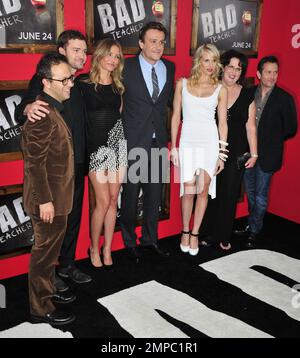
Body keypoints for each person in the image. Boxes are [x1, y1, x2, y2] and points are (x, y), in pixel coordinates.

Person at [15, 30, 92, 289]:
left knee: (72, 219)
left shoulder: (77, 83)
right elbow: (23, 107)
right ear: (62, 51)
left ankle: (67, 265)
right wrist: (27, 107)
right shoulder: (46, 80)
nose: (82, 55)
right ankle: (50, 276)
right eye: (76, 50)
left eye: (84, 50)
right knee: (53, 227)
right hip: (57, 172)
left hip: (79, 164)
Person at [22, 53, 76, 325]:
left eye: (71, 77)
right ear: (46, 82)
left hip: (57, 198)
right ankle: (40, 308)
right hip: (48, 201)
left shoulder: (51, 107)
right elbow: (34, 163)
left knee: (50, 253)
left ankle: (49, 292)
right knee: (44, 256)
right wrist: (45, 201)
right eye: (64, 79)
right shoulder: (42, 112)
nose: (70, 83)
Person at [120, 22, 175, 262]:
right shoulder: (125, 67)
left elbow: (169, 105)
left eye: (161, 42)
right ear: (141, 44)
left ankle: (150, 239)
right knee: (130, 197)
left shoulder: (169, 68)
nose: (158, 46)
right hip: (133, 142)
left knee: (154, 197)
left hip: (158, 143)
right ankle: (129, 242)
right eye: (152, 41)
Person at [171, 44, 228, 256]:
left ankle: (195, 233)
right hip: (187, 142)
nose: (211, 65)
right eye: (206, 60)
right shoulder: (182, 84)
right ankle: (184, 231)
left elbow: (223, 123)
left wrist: (222, 154)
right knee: (188, 190)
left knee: (203, 190)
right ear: (198, 61)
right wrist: (174, 146)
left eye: (214, 60)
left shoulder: (221, 89)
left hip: (209, 142)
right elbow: (176, 116)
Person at [235, 55, 297, 247]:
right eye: (268, 72)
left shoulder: (285, 98)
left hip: (269, 156)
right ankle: (253, 223)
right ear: (259, 74)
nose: (272, 76)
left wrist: (272, 141)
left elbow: (291, 128)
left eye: (275, 72)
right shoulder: (248, 93)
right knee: (251, 193)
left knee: (260, 196)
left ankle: (254, 229)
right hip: (248, 153)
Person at [199, 50, 257, 250]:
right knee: (209, 192)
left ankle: (223, 234)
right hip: (211, 148)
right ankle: (207, 232)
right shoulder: (211, 89)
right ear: (223, 67)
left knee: (229, 193)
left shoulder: (248, 94)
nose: (234, 71)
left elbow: (251, 126)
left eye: (238, 68)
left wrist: (254, 153)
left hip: (237, 152)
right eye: (231, 66)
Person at [77, 39, 127, 268]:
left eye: (117, 56)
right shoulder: (82, 83)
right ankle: (93, 248)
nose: (113, 60)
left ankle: (108, 248)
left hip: (118, 146)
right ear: (99, 55)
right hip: (96, 149)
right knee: (103, 201)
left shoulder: (118, 86)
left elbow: (119, 115)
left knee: (114, 200)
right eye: (109, 54)